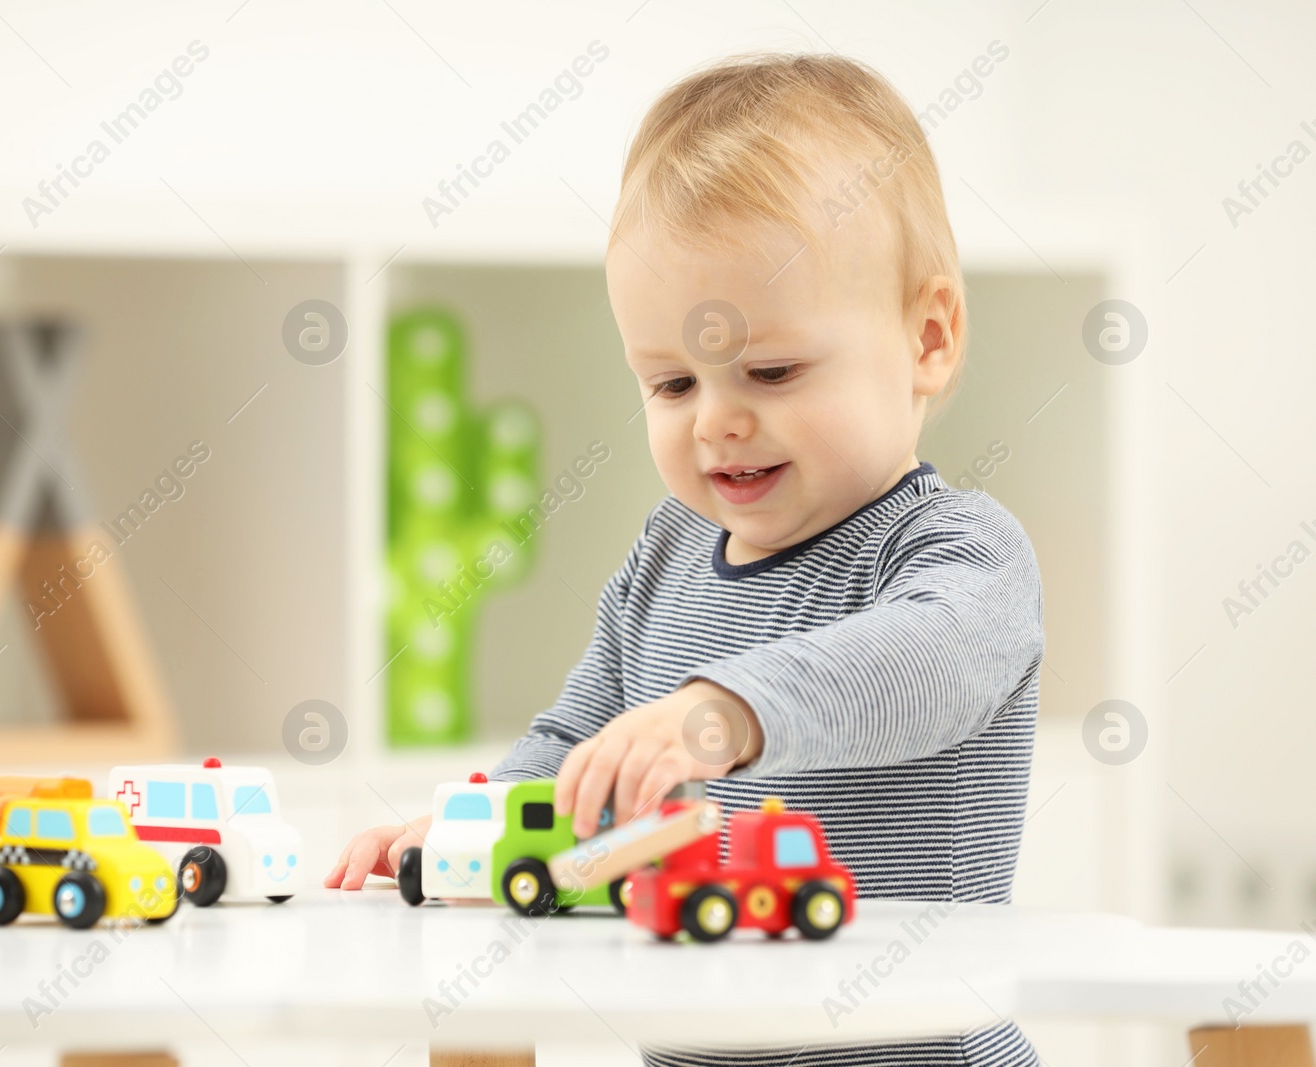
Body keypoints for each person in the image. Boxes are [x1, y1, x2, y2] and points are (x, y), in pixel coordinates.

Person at [328, 52, 1044, 1066]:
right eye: (670, 384)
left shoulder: (957, 554)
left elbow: (916, 664)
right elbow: (579, 736)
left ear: (927, 338)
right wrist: (474, 825)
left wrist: (729, 710)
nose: (718, 421)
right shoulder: (667, 554)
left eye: (771, 369)